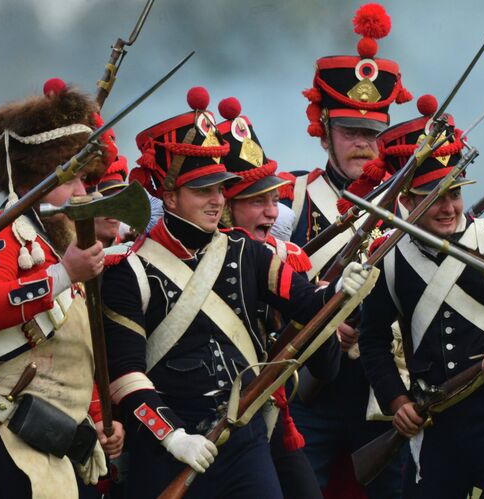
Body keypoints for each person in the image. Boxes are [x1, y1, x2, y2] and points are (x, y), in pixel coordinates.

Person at [104, 87, 370, 498]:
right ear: (170, 195)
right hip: (166, 448)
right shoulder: (128, 270)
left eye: (219, 189)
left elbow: (308, 305)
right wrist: (172, 436)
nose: (216, 201)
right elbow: (126, 375)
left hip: (242, 437)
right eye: (202, 191)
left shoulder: (249, 253)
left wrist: (341, 291)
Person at [358, 97, 484, 498]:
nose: (448, 207)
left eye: (454, 193)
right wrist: (397, 401)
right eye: (434, 196)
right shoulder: (389, 261)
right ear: (406, 200)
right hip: (438, 420)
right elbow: (372, 340)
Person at [278, 5, 413, 497]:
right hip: (309, 381)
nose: (364, 145)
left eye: (374, 134)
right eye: (352, 133)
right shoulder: (287, 199)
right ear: (324, 129)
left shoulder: (408, 208)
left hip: (383, 384)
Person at [0, 78, 118, 497]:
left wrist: (97, 419)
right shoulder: (0, 236)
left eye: (85, 181)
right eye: (72, 181)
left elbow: (74, 350)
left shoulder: (58, 247)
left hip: (51, 440)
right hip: (0, 434)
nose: (81, 194)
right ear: (33, 181)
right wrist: (61, 276)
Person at [216, 96, 337, 499]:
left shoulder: (292, 261)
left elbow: (326, 366)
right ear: (225, 207)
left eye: (273, 201)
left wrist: (328, 309)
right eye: (256, 202)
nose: (271, 213)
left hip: (270, 413)